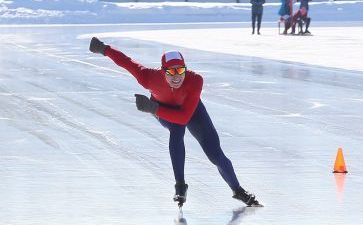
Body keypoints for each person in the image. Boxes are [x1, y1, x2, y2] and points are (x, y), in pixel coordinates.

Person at [87, 37, 262, 208]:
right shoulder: (148, 77)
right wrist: (103, 48)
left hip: (189, 110)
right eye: (171, 72)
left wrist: (152, 108)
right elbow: (126, 62)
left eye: (180, 71)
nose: (177, 77)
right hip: (164, 111)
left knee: (215, 154)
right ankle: (180, 186)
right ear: (163, 71)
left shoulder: (195, 80)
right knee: (176, 130)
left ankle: (238, 190)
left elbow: (185, 117)